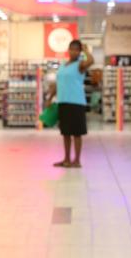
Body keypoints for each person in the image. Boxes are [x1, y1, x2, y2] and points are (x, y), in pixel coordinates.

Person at [45, 40, 94, 168]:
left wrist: (86, 51)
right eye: (71, 49)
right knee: (65, 133)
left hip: (76, 103)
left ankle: (76, 160)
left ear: (79, 51)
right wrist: (50, 98)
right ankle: (66, 159)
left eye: (77, 49)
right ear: (68, 50)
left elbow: (91, 61)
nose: (73, 51)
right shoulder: (63, 65)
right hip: (63, 101)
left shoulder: (80, 65)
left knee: (76, 133)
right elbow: (57, 83)